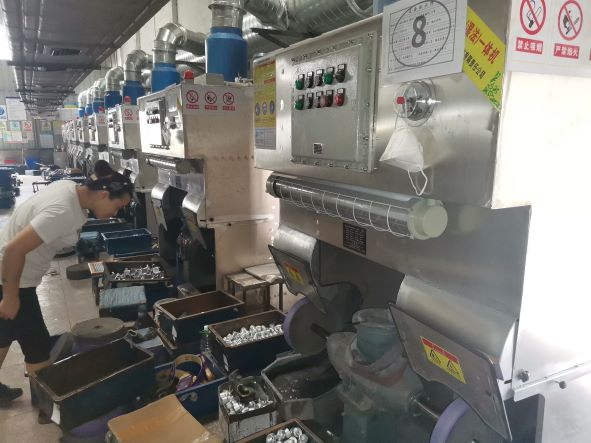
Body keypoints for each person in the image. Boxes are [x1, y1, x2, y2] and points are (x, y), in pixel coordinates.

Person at [0, 160, 134, 407]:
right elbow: (13, 250)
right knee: (37, 344)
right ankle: (46, 406)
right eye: (118, 206)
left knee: (4, 333)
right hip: (13, 277)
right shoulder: (63, 211)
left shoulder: (69, 189)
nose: (116, 213)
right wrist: (10, 296)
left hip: (13, 273)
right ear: (103, 194)